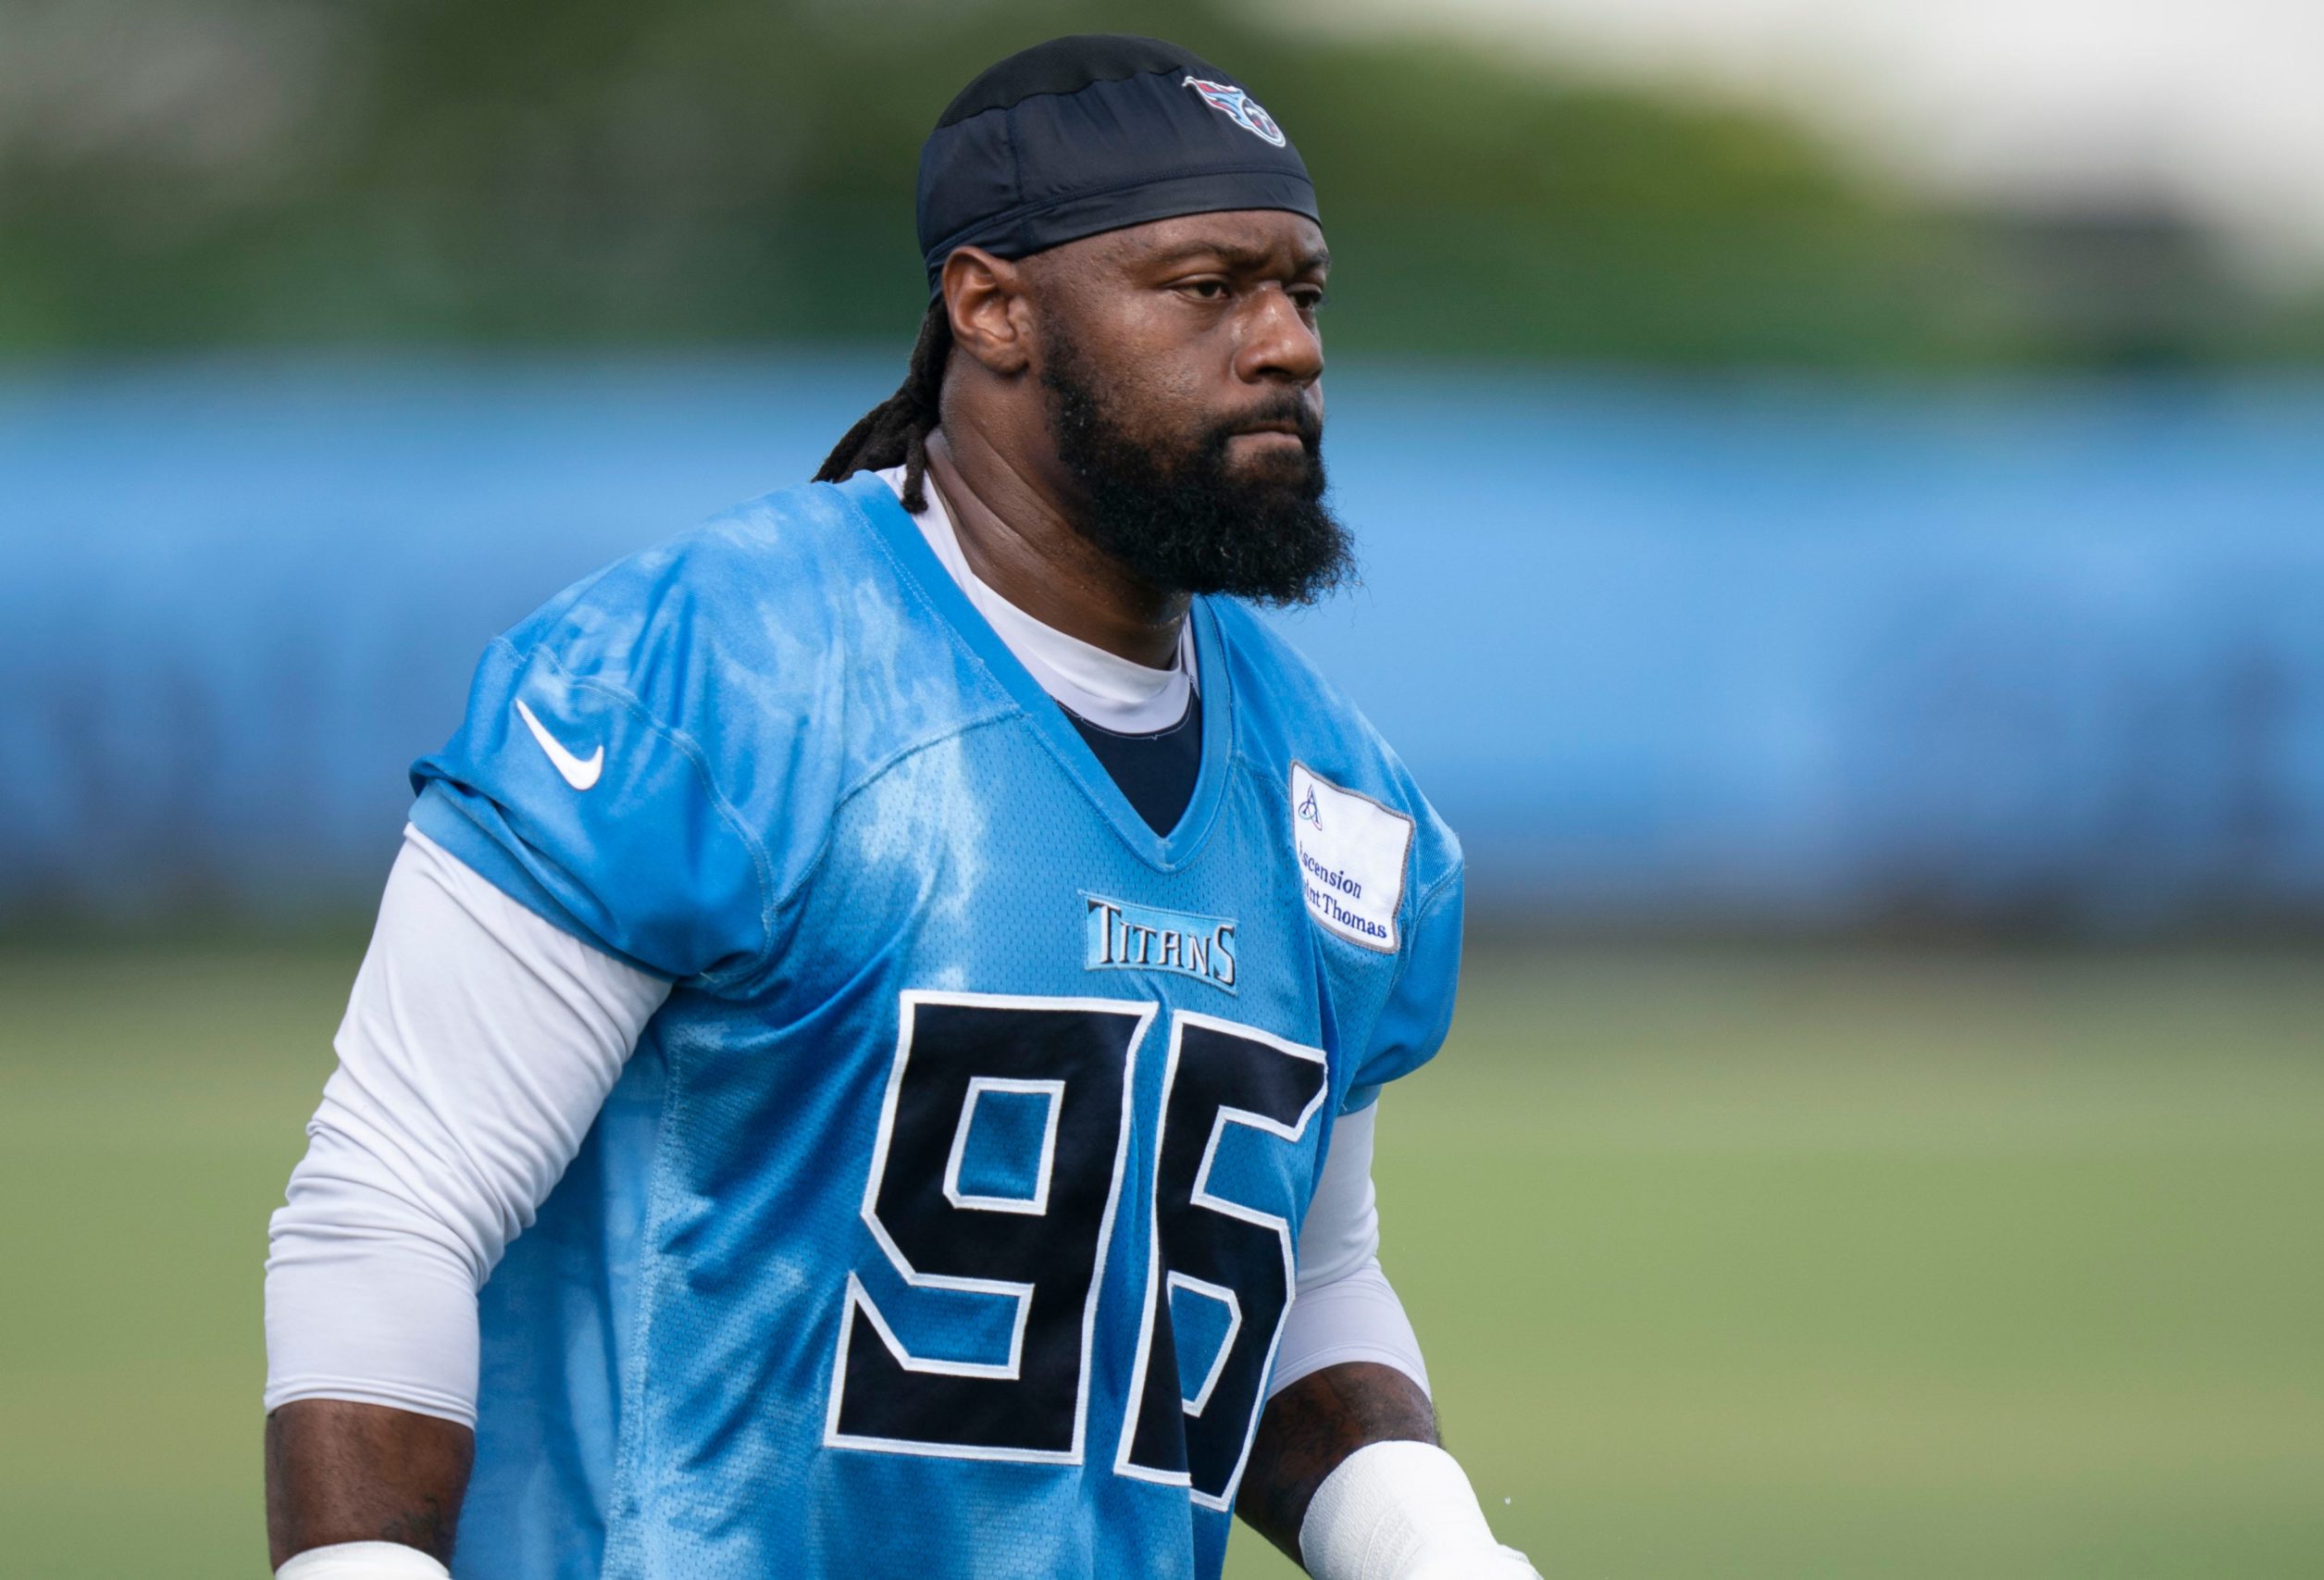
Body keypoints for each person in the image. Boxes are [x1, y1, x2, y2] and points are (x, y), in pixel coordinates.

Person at [263, 33, 1538, 1580]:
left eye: (1303, 291)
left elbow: (1291, 1290)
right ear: (992, 306)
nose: (1286, 344)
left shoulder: (1338, 794)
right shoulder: (707, 669)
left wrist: (1443, 1555)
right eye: (1208, 286)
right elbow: (392, 1200)